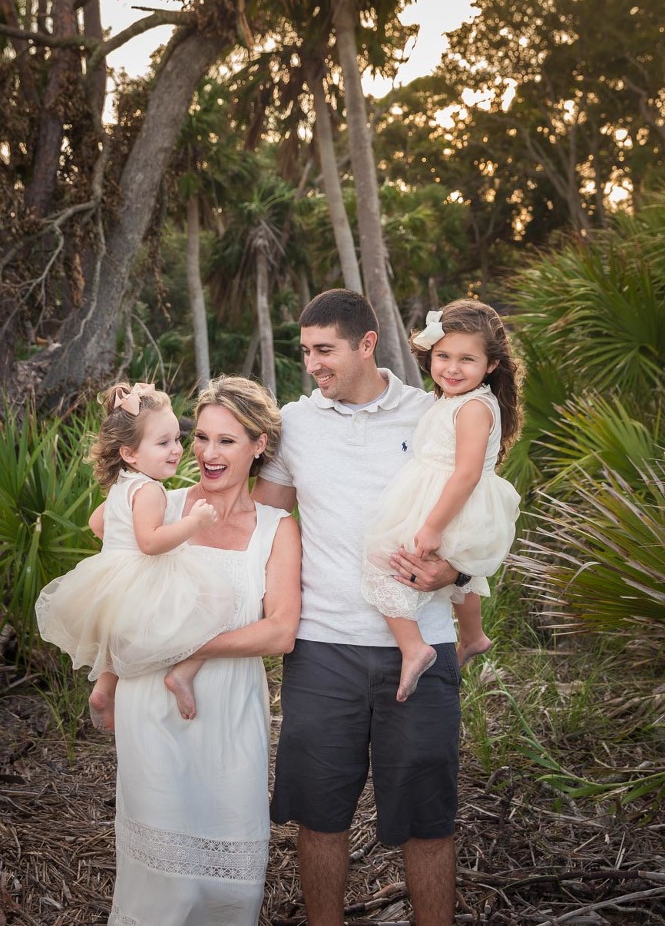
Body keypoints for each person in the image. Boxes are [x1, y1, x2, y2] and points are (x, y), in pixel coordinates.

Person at [253, 288, 464, 926]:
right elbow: (260, 524)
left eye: (325, 350)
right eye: (305, 351)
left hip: (424, 642)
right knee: (319, 816)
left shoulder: (431, 415)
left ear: (367, 344)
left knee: (428, 820)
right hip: (322, 649)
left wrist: (456, 570)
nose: (312, 364)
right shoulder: (295, 424)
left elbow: (475, 513)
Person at [108, 376, 300, 926]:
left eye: (227, 441)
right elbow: (112, 581)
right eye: (201, 438)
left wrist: (191, 650)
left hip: (230, 710)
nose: (208, 454)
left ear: (259, 444)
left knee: (228, 882)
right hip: (150, 704)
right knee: (163, 883)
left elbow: (280, 632)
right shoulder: (159, 508)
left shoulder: (276, 528)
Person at [35, 381, 234, 725]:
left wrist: (119, 550)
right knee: (217, 605)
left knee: (119, 640)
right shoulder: (150, 490)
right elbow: (150, 543)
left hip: (116, 578)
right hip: (145, 575)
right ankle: (182, 674)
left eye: (177, 439)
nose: (176, 449)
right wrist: (194, 522)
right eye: (163, 443)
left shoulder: (122, 484)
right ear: (130, 453)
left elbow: (96, 523)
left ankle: (103, 691)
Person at [361, 300, 522, 702]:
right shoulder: (458, 401)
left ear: (491, 365)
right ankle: (473, 635)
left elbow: (466, 473)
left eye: (467, 359)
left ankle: (413, 647)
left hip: (450, 500)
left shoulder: (472, 407)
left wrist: (432, 525)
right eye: (443, 356)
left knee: (381, 559)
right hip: (450, 497)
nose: (452, 368)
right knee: (462, 570)